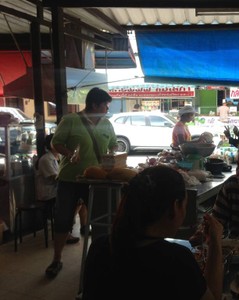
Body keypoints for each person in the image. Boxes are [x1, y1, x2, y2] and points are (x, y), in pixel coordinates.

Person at [82, 166, 224, 300]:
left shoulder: (99, 247)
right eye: (184, 205)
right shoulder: (177, 261)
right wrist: (216, 242)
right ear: (175, 207)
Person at [45, 87, 118, 279]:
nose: (106, 109)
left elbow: (114, 143)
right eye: (105, 105)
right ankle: (56, 259)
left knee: (101, 221)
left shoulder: (107, 124)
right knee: (62, 219)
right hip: (70, 179)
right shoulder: (70, 120)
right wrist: (69, 153)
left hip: (97, 180)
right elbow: (56, 143)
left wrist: (112, 151)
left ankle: (98, 259)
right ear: (94, 104)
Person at [36, 134, 87, 245]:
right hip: (48, 193)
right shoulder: (45, 159)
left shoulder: (58, 158)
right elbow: (54, 178)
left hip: (56, 189)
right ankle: (67, 231)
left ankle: (84, 227)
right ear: (52, 145)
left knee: (81, 200)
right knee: (75, 202)